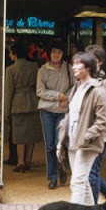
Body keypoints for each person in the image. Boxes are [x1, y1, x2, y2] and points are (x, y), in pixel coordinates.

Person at [57, 51, 106, 205]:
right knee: (83, 182)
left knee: (77, 182)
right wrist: (62, 139)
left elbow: (103, 121)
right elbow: (69, 116)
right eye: (73, 64)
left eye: (77, 64)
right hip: (73, 141)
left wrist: (87, 136)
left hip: (87, 144)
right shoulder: (76, 88)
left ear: (88, 67)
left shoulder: (98, 90)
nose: (73, 67)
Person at [85, 44, 106, 203]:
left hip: (103, 132)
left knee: (91, 170)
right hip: (91, 131)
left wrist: (98, 115)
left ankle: (93, 208)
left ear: (99, 62)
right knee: (90, 169)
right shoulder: (86, 81)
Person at [36, 39, 71, 189]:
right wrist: (58, 96)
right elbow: (40, 91)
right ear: (49, 53)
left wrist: (67, 98)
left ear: (63, 53)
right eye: (54, 51)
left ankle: (61, 168)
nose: (56, 54)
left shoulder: (69, 69)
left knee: (60, 144)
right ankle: (52, 177)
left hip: (63, 111)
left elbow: (75, 87)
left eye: (59, 52)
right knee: (50, 145)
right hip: (47, 111)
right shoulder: (42, 70)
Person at [4, 41, 43, 172]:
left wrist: (6, 111)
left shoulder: (10, 70)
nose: (9, 55)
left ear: (14, 54)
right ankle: (28, 161)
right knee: (31, 134)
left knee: (19, 135)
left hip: (18, 103)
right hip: (32, 102)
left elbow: (9, 91)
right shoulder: (34, 67)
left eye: (10, 52)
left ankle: (20, 162)